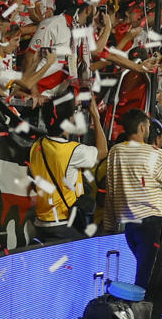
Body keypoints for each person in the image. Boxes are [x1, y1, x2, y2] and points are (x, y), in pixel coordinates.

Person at [104, 109, 162, 319]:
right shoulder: (156, 154)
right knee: (151, 281)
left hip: (130, 226)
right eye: (147, 126)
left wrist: (108, 225)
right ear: (142, 128)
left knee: (148, 277)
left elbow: (110, 191)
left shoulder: (115, 152)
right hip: (152, 224)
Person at [27, 97, 107, 242]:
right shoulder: (72, 151)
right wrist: (95, 115)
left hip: (41, 221)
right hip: (65, 224)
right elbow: (103, 151)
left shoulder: (37, 145)